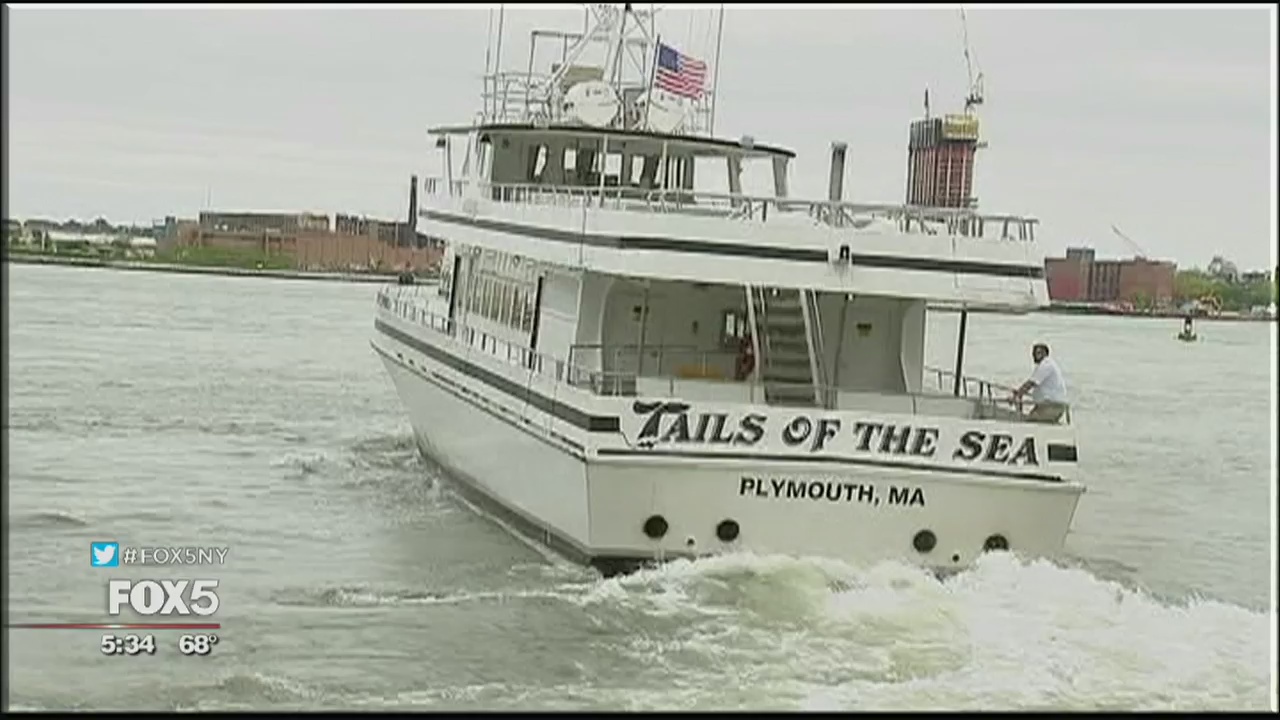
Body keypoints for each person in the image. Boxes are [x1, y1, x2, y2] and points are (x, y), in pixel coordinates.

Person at [1010, 342, 1068, 423]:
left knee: (1030, 423)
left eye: (1038, 353)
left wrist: (1017, 395)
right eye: (1034, 353)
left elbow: (1031, 383)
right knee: (1028, 420)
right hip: (1045, 405)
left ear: (1045, 353)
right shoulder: (1042, 365)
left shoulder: (1046, 365)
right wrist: (1019, 392)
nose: (1034, 356)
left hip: (1052, 405)